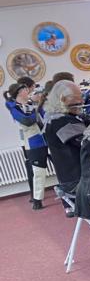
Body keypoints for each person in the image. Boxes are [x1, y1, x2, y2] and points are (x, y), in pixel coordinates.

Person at [4, 79, 48, 210]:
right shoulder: (15, 107)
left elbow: (45, 116)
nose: (27, 90)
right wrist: (35, 105)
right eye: (24, 89)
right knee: (38, 172)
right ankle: (37, 200)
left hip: (46, 138)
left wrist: (40, 103)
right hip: (33, 143)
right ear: (18, 93)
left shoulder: (31, 104)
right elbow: (27, 121)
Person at [43, 80, 86, 197]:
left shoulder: (58, 119)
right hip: (78, 180)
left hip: (76, 178)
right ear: (63, 99)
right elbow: (87, 143)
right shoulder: (61, 121)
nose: (82, 101)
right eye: (78, 98)